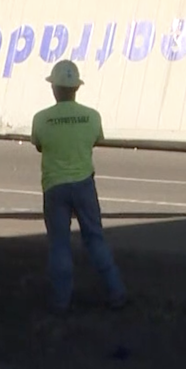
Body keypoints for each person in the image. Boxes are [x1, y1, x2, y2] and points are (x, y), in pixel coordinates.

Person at [31, 60, 126, 313]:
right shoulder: (92, 117)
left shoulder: (41, 119)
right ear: (76, 88)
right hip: (84, 183)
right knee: (95, 238)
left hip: (54, 186)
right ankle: (115, 291)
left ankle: (61, 301)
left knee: (59, 244)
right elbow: (94, 141)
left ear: (54, 88)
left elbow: (40, 145)